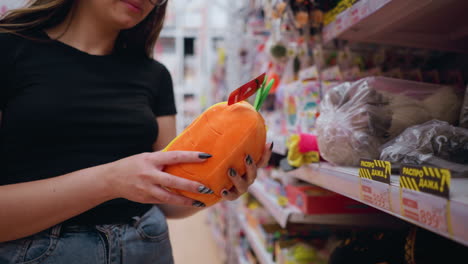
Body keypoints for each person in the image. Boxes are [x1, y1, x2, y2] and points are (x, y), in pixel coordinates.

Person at [0, 0, 273, 263]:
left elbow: (169, 201)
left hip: (146, 245)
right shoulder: (8, 49)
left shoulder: (155, 76)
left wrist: (218, 186)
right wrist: (110, 180)